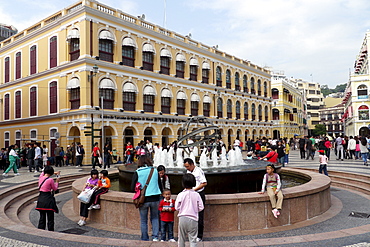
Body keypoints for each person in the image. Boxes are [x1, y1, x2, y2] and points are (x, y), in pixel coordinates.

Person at [131, 156, 163, 241]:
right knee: (155, 218)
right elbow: (160, 185)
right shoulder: (155, 171)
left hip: (143, 199)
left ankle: (145, 238)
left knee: (143, 220)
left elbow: (132, 187)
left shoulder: (138, 172)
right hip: (155, 198)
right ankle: (155, 237)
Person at [175, 173, 204, 247]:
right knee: (193, 239)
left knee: (181, 238)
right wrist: (194, 209)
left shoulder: (181, 194)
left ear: (183, 183)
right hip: (193, 218)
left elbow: (176, 207)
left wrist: (182, 209)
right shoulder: (197, 195)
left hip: (183, 218)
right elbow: (201, 207)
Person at [183, 158, 207, 242]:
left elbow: (204, 183)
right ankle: (192, 233)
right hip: (191, 194)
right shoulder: (188, 172)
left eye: (188, 166)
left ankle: (199, 236)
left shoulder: (198, 171)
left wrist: (194, 189)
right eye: (185, 167)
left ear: (192, 164)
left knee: (200, 215)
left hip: (199, 194)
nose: (187, 168)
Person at [35, 166, 60, 231]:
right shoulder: (50, 180)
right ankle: (50, 230)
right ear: (51, 173)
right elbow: (55, 188)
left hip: (41, 198)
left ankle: (41, 230)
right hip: (48, 199)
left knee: (42, 217)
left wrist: (53, 172)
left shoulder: (40, 178)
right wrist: (57, 182)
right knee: (50, 217)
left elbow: (43, 173)